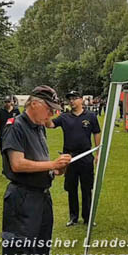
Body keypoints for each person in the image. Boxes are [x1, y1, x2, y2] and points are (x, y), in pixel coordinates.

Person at [1, 85, 71, 255]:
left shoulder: (39, 127)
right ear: (34, 104)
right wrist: (51, 164)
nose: (52, 114)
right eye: (49, 109)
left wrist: (57, 169)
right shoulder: (16, 126)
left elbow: (39, 161)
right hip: (22, 199)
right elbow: (17, 164)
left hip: (41, 197)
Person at [46, 90, 101, 227]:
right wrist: (47, 111)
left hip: (86, 156)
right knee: (71, 188)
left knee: (87, 188)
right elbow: (50, 125)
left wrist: (98, 152)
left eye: (75, 98)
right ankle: (73, 217)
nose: (72, 101)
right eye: (70, 99)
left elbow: (96, 133)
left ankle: (88, 218)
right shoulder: (64, 117)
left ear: (81, 100)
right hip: (69, 157)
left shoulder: (91, 116)